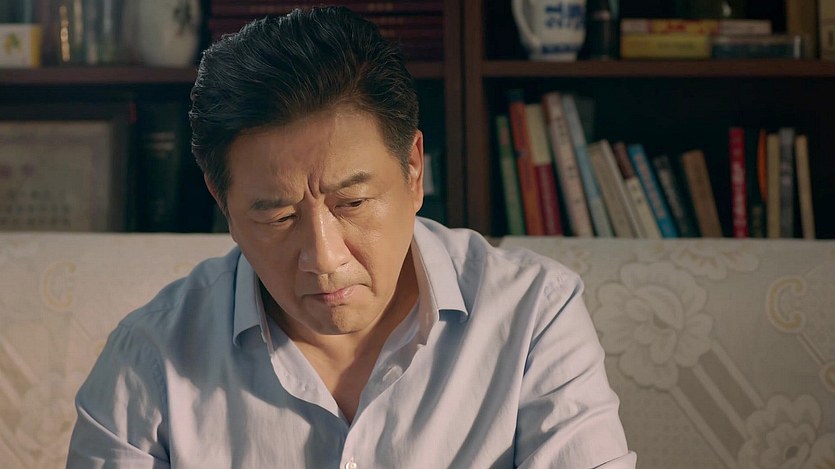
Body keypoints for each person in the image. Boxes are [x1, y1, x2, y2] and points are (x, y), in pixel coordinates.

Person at [67, 6, 636, 468]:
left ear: (413, 170)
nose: (324, 258)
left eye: (353, 203)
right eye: (279, 217)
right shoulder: (150, 359)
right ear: (225, 207)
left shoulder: (534, 316)